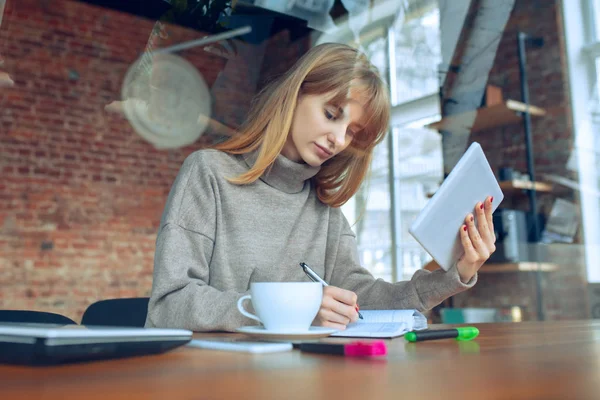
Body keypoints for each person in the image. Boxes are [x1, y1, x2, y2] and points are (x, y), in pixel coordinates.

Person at [145, 43, 496, 332]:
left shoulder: (324, 210)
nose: (338, 139)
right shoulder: (209, 173)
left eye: (352, 133)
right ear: (295, 94)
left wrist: (457, 272)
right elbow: (169, 304)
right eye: (331, 114)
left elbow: (363, 301)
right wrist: (290, 307)